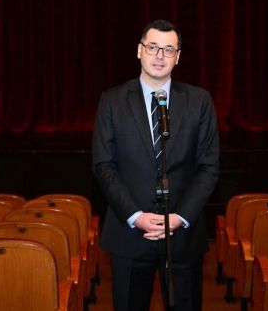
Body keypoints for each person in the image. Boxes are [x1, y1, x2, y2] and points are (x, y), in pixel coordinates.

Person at [92, 19, 220, 311]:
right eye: (153, 47)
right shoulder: (112, 101)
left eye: (168, 49)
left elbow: (209, 167)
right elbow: (103, 165)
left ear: (178, 56)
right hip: (129, 235)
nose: (160, 56)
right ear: (139, 51)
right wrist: (135, 215)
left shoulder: (199, 101)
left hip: (182, 236)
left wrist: (180, 217)